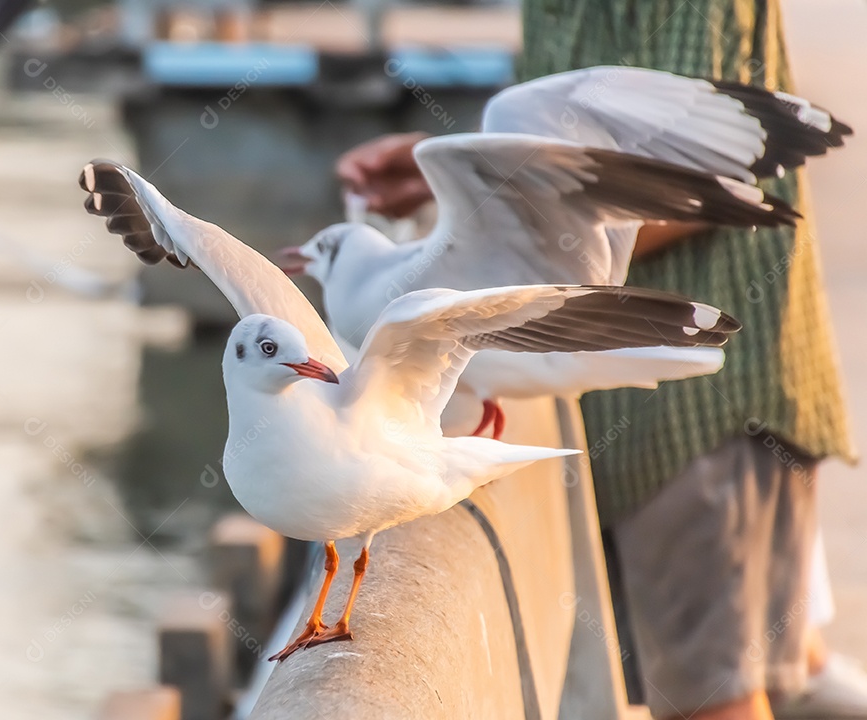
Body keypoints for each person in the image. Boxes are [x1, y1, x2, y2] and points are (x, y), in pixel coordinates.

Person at [334, 3, 857, 719]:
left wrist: (518, 223)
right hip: (627, 400)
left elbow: (703, 178)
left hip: (704, 413)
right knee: (764, 672)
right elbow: (587, 149)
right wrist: (465, 186)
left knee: (713, 700)